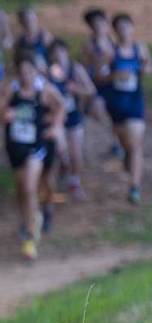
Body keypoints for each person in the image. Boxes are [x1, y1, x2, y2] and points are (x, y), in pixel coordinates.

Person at [0, 54, 66, 260]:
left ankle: (30, 236)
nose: (26, 76)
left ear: (36, 71)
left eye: (30, 71)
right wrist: (4, 115)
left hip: (37, 145)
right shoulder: (11, 90)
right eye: (22, 72)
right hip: (15, 146)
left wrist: (55, 127)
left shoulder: (45, 90)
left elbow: (61, 106)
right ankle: (30, 219)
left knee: (29, 187)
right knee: (21, 190)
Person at [97, 13, 149, 204]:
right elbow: (100, 76)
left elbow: (147, 67)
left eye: (127, 26)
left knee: (136, 144)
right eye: (120, 27)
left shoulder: (140, 49)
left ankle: (134, 187)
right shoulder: (110, 52)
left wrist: (143, 70)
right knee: (127, 143)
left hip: (135, 101)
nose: (124, 30)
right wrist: (116, 75)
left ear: (132, 28)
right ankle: (128, 155)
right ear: (115, 30)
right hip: (116, 104)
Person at [48, 39, 96, 199]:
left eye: (61, 51)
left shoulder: (75, 69)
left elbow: (90, 89)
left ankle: (74, 181)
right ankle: (63, 162)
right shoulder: (47, 72)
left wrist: (75, 88)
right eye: (55, 52)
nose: (59, 55)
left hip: (74, 116)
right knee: (60, 148)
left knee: (77, 154)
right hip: (56, 118)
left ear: (66, 52)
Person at [15, 6, 55, 73]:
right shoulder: (20, 42)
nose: (30, 23)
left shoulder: (45, 37)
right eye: (27, 21)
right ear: (22, 23)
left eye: (32, 19)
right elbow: (17, 63)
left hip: (47, 72)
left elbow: (55, 58)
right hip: (29, 76)